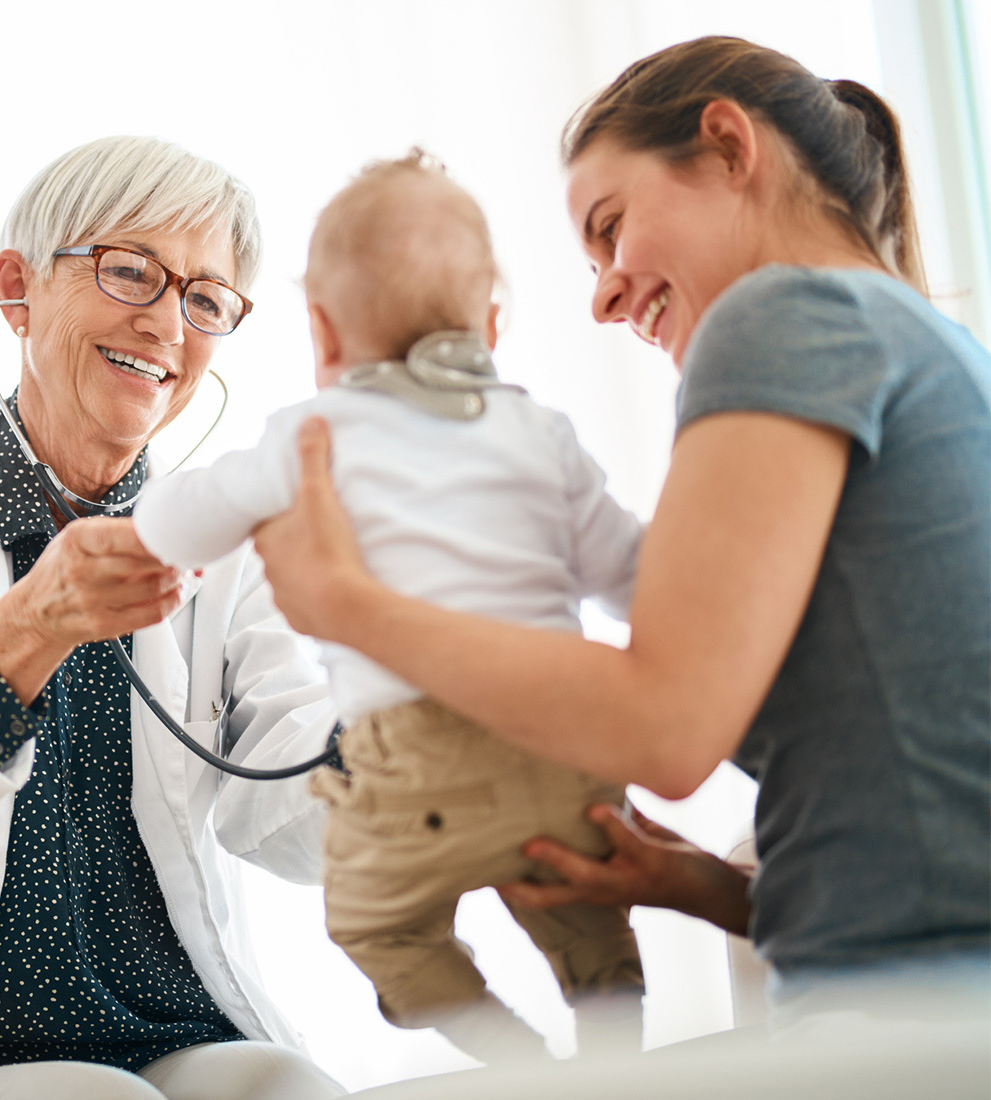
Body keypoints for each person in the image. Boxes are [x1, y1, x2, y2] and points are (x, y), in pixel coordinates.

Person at [251, 36, 991, 1024]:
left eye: (610, 227)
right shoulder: (925, 342)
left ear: (728, 144)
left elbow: (666, 728)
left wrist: (351, 605)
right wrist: (699, 884)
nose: (601, 295)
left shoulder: (783, 314)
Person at [0, 136, 345, 1100]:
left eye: (205, 299)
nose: (169, 321)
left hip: (179, 1025)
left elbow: (280, 815)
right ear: (17, 288)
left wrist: (414, 704)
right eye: (131, 271)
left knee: (291, 1086)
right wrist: (28, 627)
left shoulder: (224, 552)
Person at [132, 152, 646, 1062]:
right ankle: (615, 1053)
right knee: (586, 915)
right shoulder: (540, 431)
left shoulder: (311, 434)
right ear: (490, 324)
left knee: (378, 924)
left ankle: (519, 1064)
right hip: (559, 742)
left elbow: (180, 526)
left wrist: (148, 516)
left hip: (410, 768)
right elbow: (630, 578)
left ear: (322, 334)